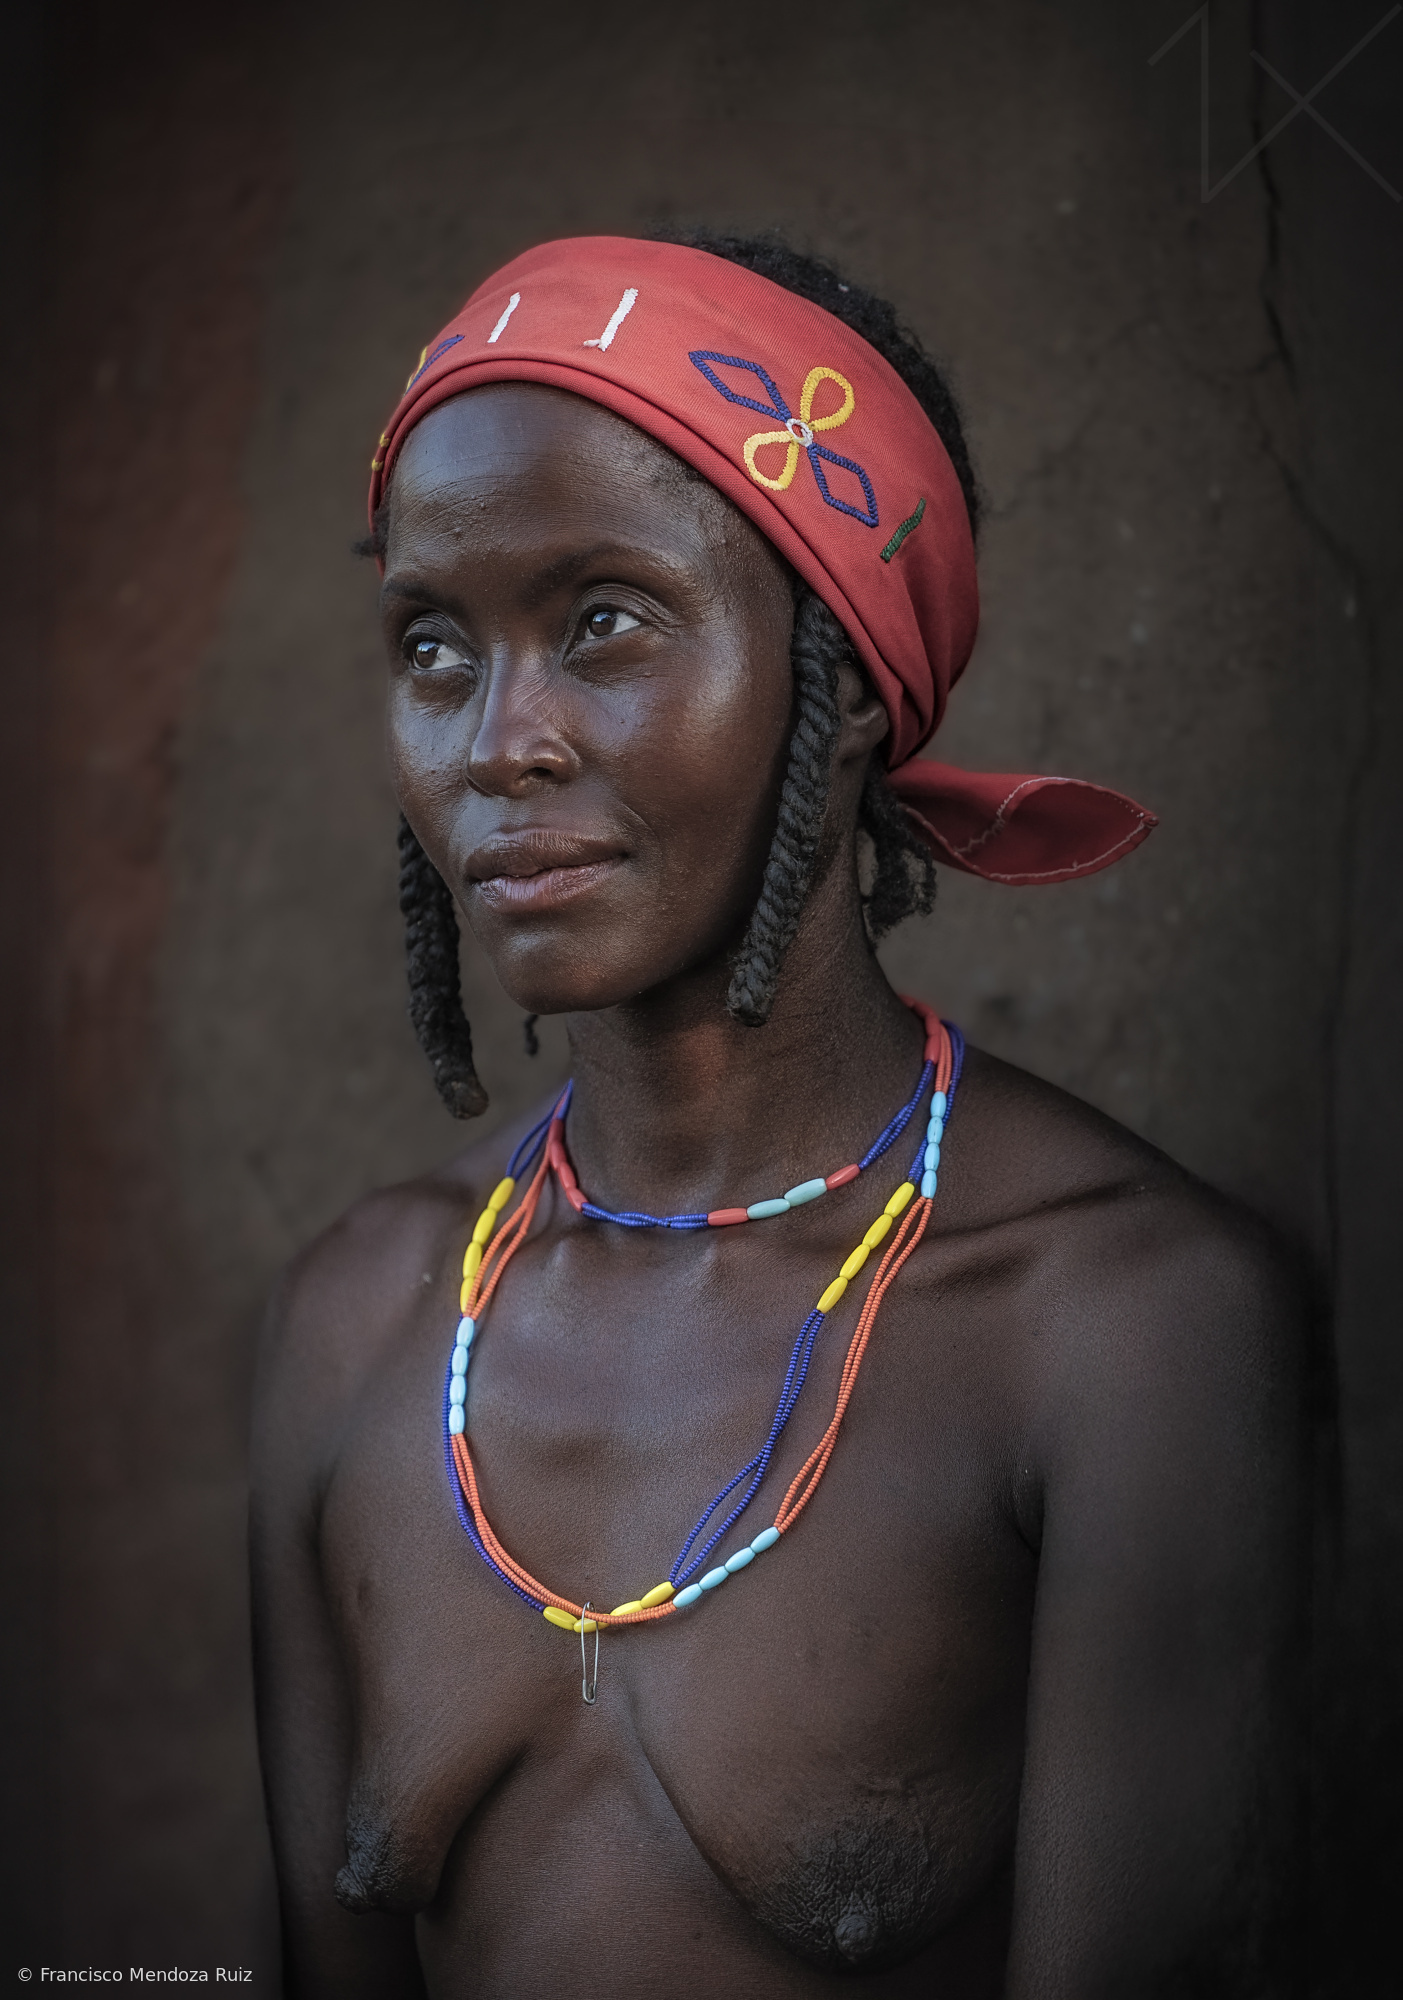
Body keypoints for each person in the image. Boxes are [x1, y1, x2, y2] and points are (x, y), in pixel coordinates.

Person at [250, 232, 1308, 1997]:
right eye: (433, 644)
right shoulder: (355, 1327)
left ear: (849, 681)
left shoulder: (1121, 1326)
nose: (500, 740)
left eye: (603, 621)